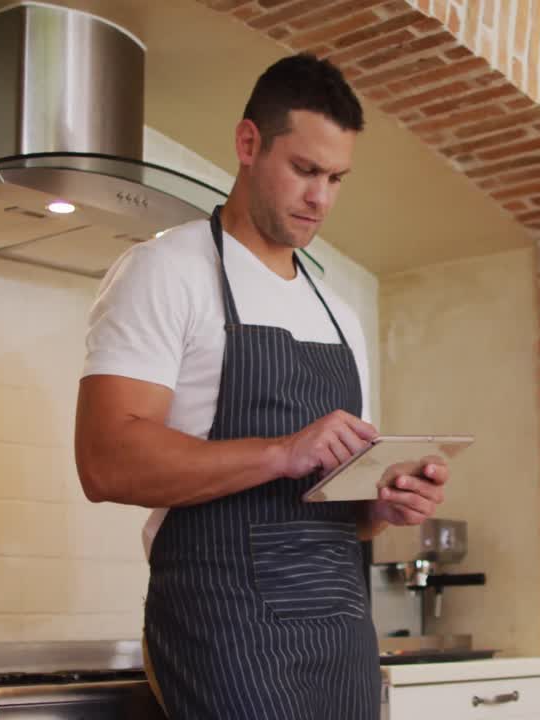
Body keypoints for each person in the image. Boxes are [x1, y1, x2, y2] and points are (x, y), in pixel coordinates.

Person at [74, 53, 449, 719]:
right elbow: (105, 461)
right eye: (305, 170)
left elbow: (336, 515)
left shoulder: (338, 310)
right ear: (249, 144)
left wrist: (382, 508)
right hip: (224, 633)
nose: (321, 198)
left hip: (340, 636)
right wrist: (281, 452)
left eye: (337, 178)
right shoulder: (167, 270)